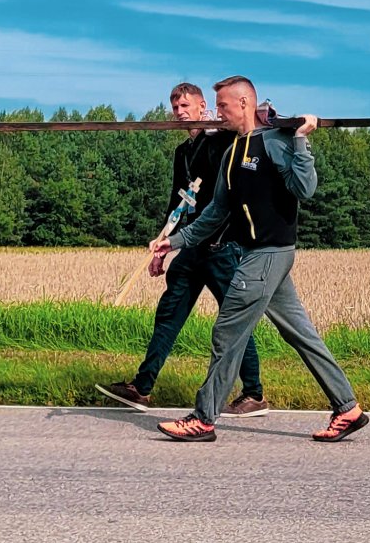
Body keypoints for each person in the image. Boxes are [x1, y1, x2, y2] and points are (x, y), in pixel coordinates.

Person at [152, 76, 368, 444]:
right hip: (259, 255)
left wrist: (301, 140)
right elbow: (216, 212)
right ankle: (347, 408)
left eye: (222, 106)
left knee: (227, 332)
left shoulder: (276, 143)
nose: (217, 114)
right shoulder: (232, 151)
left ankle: (203, 419)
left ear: (243, 104)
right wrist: (172, 242)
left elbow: (305, 189)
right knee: (300, 333)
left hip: (269, 253)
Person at [97, 83, 266, 415]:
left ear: (203, 107)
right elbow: (178, 203)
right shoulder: (182, 152)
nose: (179, 112)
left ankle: (254, 394)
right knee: (169, 315)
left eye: (186, 106)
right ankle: (141, 387)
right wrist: (163, 247)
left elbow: (230, 193)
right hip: (190, 248)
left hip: (221, 247)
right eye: (175, 107)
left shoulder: (221, 142)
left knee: (234, 321)